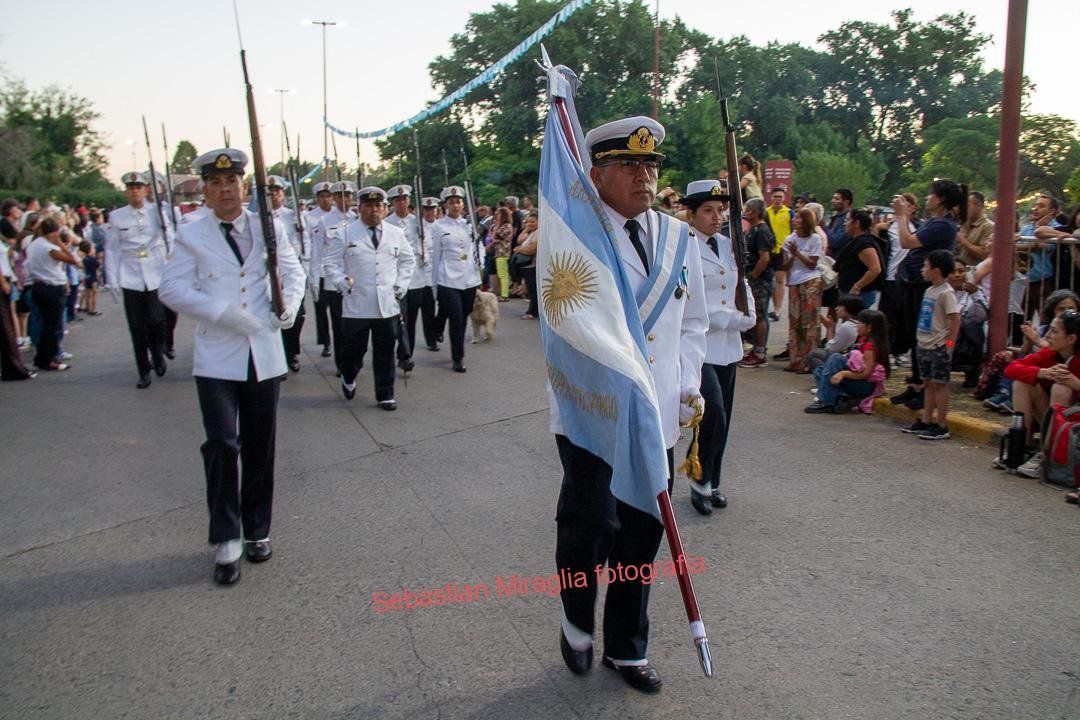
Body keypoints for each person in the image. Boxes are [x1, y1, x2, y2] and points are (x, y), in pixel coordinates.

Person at [553, 116, 707, 694]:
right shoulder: (576, 234)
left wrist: (686, 382)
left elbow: (693, 323)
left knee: (642, 532)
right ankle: (576, 619)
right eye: (629, 165)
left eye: (651, 165)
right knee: (591, 524)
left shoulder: (677, 238)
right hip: (593, 411)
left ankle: (626, 646)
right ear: (596, 175)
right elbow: (562, 320)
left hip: (656, 412)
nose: (644, 176)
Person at [158, 148, 306, 586]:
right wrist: (222, 314)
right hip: (216, 356)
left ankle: (257, 529)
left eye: (232, 182)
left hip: (263, 351)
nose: (225, 190)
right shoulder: (192, 232)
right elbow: (171, 288)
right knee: (222, 444)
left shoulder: (269, 225)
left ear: (244, 186)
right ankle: (226, 537)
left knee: (261, 445)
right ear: (205, 190)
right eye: (216, 183)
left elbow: (294, 273)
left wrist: (288, 307)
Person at [681, 179, 754, 515]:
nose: (716, 217)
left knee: (725, 419)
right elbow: (685, 301)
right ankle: (698, 480)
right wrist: (728, 317)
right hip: (700, 346)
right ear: (691, 214)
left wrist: (750, 313)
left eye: (720, 210)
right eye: (708, 210)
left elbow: (740, 282)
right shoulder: (683, 247)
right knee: (713, 417)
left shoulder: (727, 245)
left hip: (728, 346)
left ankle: (713, 480)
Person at [324, 187, 415, 408]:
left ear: (384, 209)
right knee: (354, 352)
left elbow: (407, 261)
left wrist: (401, 284)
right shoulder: (345, 233)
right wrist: (341, 282)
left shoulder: (396, 233)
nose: (374, 210)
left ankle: (385, 394)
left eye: (378, 205)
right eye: (368, 205)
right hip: (357, 303)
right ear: (359, 208)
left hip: (387, 303)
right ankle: (349, 376)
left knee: (385, 351)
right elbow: (331, 263)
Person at [889, 179, 965, 411]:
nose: (927, 198)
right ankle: (916, 383)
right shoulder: (933, 221)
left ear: (941, 199)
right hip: (913, 282)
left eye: (931, 194)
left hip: (923, 285)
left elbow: (907, 241)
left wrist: (902, 216)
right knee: (913, 334)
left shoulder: (943, 225)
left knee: (924, 335)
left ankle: (925, 387)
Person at [104, 171, 174, 389]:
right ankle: (143, 371)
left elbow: (170, 238)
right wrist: (112, 279)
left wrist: (172, 265)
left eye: (139, 187)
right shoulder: (117, 217)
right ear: (126, 192)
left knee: (157, 320)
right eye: (131, 188)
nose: (135, 191)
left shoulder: (157, 212)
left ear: (145, 191)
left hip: (155, 273)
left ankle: (158, 353)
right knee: (137, 327)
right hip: (131, 276)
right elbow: (112, 250)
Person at [1002, 310, 1080, 479]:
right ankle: (1022, 447)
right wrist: (1043, 373)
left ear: (1071, 339)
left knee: (1061, 388)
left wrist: (1075, 383)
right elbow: (1011, 369)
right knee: (1022, 382)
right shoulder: (1050, 353)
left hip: (1075, 427)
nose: (1048, 335)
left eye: (1055, 331)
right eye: (1049, 329)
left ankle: (1047, 455)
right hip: (1056, 420)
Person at [900, 249, 960, 440]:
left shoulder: (946, 293)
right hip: (924, 343)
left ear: (936, 270)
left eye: (926, 266)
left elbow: (955, 320)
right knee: (927, 383)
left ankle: (941, 424)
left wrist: (949, 344)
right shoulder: (930, 290)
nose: (922, 270)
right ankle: (926, 420)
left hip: (938, 345)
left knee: (939, 384)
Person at [430, 186, 481, 373]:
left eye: (458, 202)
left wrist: (480, 263)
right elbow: (435, 256)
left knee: (464, 314)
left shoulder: (469, 224)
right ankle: (458, 357)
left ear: (463, 204)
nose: (455, 205)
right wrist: (434, 286)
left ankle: (438, 322)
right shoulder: (438, 226)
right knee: (456, 318)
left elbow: (477, 247)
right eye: (451, 202)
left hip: (469, 277)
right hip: (448, 277)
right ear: (445, 205)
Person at [805, 309, 890, 413]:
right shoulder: (862, 340)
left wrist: (843, 373)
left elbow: (866, 374)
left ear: (869, 328)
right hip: (857, 380)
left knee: (836, 358)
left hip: (865, 386)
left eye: (860, 323)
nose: (857, 326)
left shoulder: (870, 347)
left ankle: (827, 401)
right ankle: (841, 398)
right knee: (821, 370)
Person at [25, 217, 80, 371]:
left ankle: (45, 356)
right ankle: (47, 358)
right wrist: (61, 245)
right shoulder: (49, 248)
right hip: (52, 287)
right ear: (53, 233)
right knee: (53, 326)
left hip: (38, 286)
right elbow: (73, 260)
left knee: (46, 325)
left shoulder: (34, 244)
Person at [267, 175, 307, 373]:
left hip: (292, 269)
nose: (273, 194)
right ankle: (277, 356)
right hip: (270, 274)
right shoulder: (257, 218)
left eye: (277, 191)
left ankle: (292, 353)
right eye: (270, 191)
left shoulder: (294, 216)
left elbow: (305, 241)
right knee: (272, 316)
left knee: (296, 316)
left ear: (283, 194)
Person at [382, 184, 423, 371]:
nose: (402, 202)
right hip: (395, 277)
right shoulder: (387, 223)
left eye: (405, 199)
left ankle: (406, 353)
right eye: (398, 200)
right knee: (399, 319)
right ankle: (401, 354)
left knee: (410, 320)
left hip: (416, 278)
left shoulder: (418, 222)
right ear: (392, 203)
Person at [781, 207, 823, 373]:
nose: (794, 220)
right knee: (795, 322)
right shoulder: (789, 239)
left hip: (810, 281)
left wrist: (797, 253)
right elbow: (785, 265)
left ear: (806, 221)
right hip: (794, 282)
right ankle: (795, 359)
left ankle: (810, 361)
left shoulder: (815, 239)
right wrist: (791, 255)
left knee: (810, 322)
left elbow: (812, 264)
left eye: (798, 217)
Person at [738, 198, 774, 367]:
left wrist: (753, 276)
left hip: (760, 281)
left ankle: (760, 352)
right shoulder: (752, 230)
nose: (745, 212)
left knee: (759, 316)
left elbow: (764, 258)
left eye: (748, 209)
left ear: (756, 212)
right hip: (752, 277)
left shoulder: (762, 231)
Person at [0, 227, 34, 380]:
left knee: (8, 328)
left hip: (8, 279)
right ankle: (13, 369)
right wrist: (3, 282)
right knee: (6, 328)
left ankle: (14, 367)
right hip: (3, 282)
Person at [306, 181, 335, 359]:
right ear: (317, 198)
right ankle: (326, 342)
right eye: (322, 196)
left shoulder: (340, 216)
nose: (326, 199)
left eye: (329, 196)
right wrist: (312, 276)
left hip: (336, 271)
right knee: (321, 310)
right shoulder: (309, 218)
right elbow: (310, 247)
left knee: (339, 311)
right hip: (319, 269)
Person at [407, 197, 440, 352]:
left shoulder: (441, 226)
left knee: (443, 308)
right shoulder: (417, 227)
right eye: (426, 210)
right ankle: (431, 340)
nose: (429, 212)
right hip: (422, 274)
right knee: (427, 309)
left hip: (439, 273)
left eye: (432, 209)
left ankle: (438, 329)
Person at [836, 209, 883, 308]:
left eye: (848, 220)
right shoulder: (856, 241)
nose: (845, 224)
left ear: (857, 223)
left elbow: (875, 269)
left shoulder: (864, 244)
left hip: (860, 295)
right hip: (849, 292)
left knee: (856, 317)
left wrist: (857, 287)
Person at [808, 295, 864, 370]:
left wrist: (829, 328)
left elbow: (831, 349)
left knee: (814, 353)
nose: (836, 308)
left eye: (840, 306)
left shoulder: (846, 326)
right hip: (857, 357)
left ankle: (825, 374)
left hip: (850, 360)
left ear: (849, 309)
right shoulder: (860, 322)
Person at [766, 187, 792, 324]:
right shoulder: (766, 212)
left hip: (783, 250)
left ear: (784, 198)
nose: (777, 199)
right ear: (771, 197)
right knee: (770, 279)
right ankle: (773, 306)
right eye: (775, 196)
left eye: (780, 197)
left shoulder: (789, 212)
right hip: (769, 249)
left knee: (780, 279)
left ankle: (777, 309)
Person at [486, 207, 514, 300]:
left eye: (499, 214)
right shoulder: (503, 226)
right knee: (501, 274)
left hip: (503, 252)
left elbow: (495, 237)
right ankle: (503, 293)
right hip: (499, 252)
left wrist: (497, 227)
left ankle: (504, 295)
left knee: (503, 274)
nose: (497, 216)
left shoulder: (506, 226)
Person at [515, 212, 539, 319]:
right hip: (527, 265)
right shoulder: (530, 233)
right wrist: (526, 229)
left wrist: (520, 249)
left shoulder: (538, 233)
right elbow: (519, 240)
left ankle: (532, 312)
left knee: (533, 289)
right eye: (528, 222)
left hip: (533, 265)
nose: (530, 224)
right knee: (530, 288)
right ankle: (533, 310)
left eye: (533, 221)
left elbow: (532, 249)